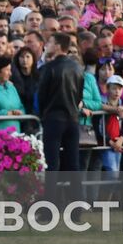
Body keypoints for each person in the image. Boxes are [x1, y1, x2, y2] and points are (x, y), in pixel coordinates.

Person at [36, 33, 85, 176]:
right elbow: (79, 96)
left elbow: (41, 96)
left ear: (57, 46)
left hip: (53, 119)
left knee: (51, 163)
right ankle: (76, 197)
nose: (47, 45)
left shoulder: (49, 68)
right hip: (73, 119)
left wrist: (43, 114)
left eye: (49, 42)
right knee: (73, 164)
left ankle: (51, 197)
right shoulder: (77, 68)